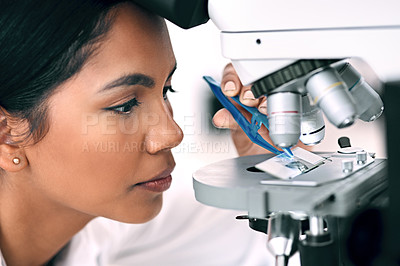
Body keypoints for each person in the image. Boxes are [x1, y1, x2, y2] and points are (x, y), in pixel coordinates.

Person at [0, 1, 275, 265]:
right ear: (7, 136)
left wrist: (271, 170)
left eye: (166, 90)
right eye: (125, 106)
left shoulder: (108, 233)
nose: (172, 134)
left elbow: (270, 247)